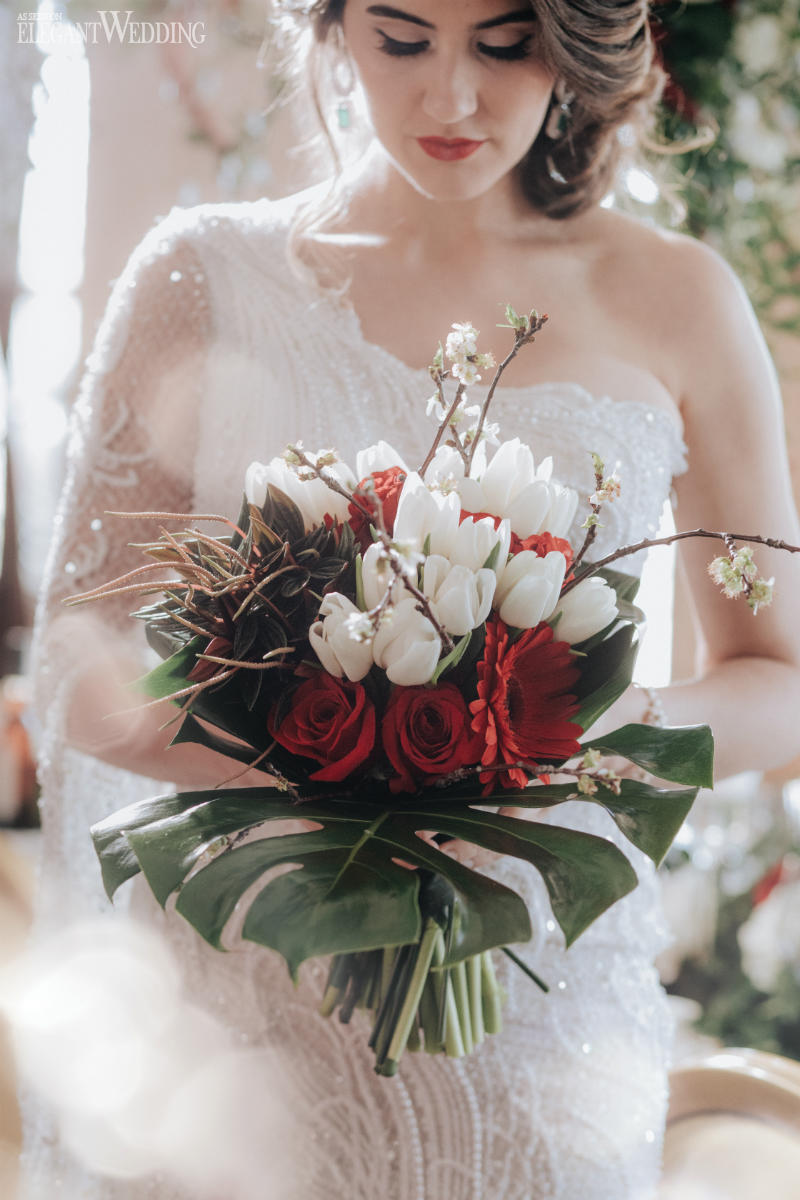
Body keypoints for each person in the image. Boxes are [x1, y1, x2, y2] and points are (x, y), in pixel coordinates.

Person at [25, 1, 800, 1197]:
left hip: (544, 1039)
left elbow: (782, 682)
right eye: (401, 39)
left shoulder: (679, 298)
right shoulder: (205, 271)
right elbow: (78, 660)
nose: (449, 97)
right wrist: (316, 746)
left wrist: (568, 731)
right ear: (331, 29)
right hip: (235, 1041)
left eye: (501, 45)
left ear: (577, 44)